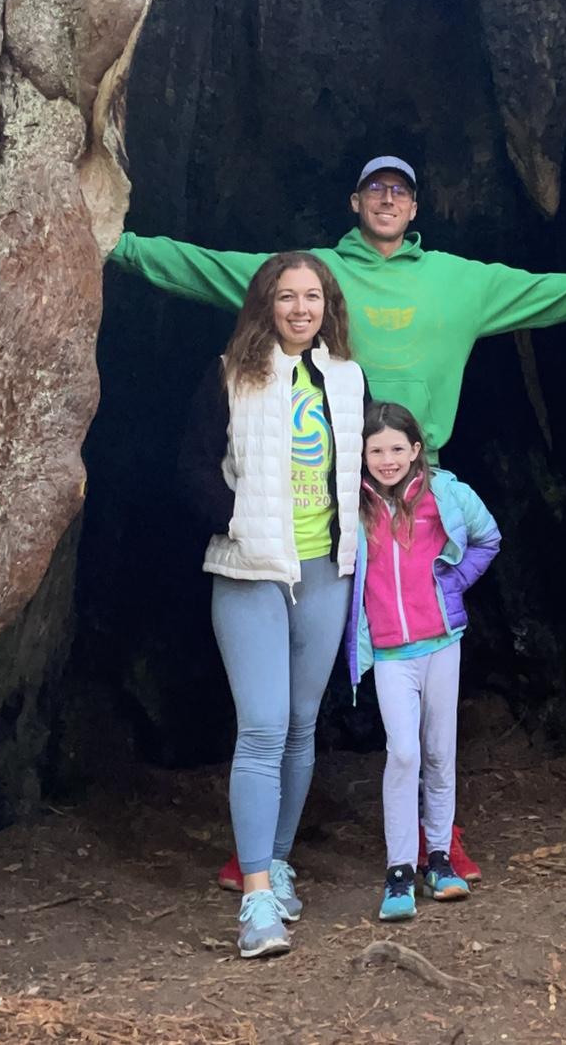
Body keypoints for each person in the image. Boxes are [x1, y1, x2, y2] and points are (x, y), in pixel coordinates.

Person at [113, 154, 566, 884]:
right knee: (288, 704)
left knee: (423, 666)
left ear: (416, 206)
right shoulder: (314, 280)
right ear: (355, 202)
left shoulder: (460, 281)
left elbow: (542, 292)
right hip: (335, 500)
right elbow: (207, 268)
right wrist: (116, 245)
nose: (388, 200)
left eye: (400, 190)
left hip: (418, 503)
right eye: (376, 189)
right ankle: (261, 854)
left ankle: (438, 837)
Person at [177, 252, 367, 959]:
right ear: (266, 304)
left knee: (299, 725)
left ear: (328, 306)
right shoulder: (229, 373)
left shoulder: (346, 378)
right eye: (286, 296)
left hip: (324, 571)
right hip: (250, 571)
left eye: (312, 296)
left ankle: (279, 860)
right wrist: (236, 520)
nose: (300, 308)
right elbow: (192, 466)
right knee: (261, 726)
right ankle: (256, 896)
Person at [346, 401, 501, 921]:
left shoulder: (445, 494)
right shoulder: (352, 504)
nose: (387, 460)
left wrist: (452, 582)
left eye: (397, 448)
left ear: (416, 450)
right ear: (362, 454)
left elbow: (487, 537)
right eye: (376, 451)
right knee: (404, 753)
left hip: (441, 643)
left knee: (438, 752)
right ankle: (398, 871)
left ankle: (438, 859)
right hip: (391, 652)